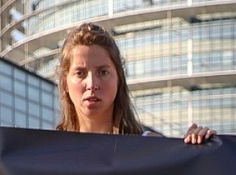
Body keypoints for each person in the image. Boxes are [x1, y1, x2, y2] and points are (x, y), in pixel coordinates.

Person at [56, 22, 215, 143]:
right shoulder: (48, 154)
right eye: (80, 73)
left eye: (103, 72)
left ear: (119, 79)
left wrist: (195, 151)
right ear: (65, 84)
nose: (92, 84)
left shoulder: (150, 147)